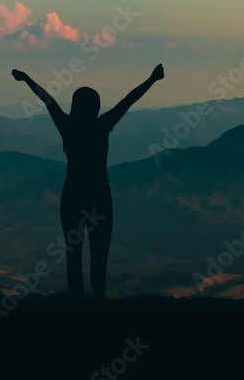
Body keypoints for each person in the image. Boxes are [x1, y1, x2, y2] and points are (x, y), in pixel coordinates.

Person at [12, 64, 164, 300]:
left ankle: (77, 306)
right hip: (100, 199)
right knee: (99, 259)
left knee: (73, 258)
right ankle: (98, 306)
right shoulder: (102, 126)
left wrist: (27, 79)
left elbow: (47, 100)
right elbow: (128, 100)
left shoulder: (68, 126)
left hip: (72, 197)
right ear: (96, 106)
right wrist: (152, 79)